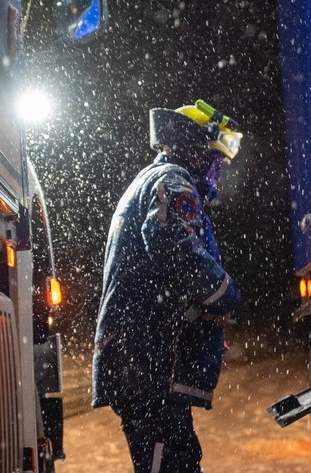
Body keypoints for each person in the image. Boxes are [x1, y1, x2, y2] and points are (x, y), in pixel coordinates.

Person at [92, 100, 243, 472]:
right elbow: (172, 245)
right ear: (194, 147)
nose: (219, 170)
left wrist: (200, 317)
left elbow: (166, 273)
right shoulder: (171, 180)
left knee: (179, 462)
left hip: (144, 366)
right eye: (216, 159)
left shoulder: (160, 179)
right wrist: (225, 295)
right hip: (146, 367)